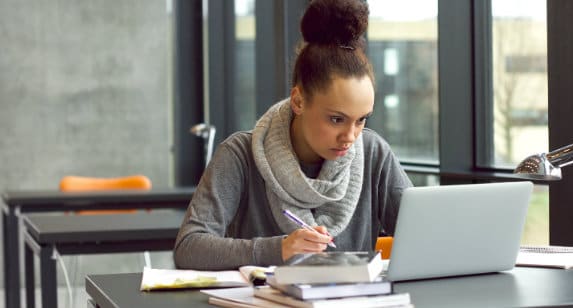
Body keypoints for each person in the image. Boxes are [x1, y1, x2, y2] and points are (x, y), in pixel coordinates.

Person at [173, 0, 412, 270]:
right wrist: (280, 249)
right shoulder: (240, 155)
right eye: (336, 119)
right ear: (298, 101)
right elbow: (189, 248)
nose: (350, 136)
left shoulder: (374, 153)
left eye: (361, 120)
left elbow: (424, 235)